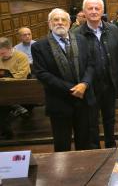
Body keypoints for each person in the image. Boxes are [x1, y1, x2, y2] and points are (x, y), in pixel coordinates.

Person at [31, 8, 95, 152]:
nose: (60, 23)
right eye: (56, 19)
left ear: (70, 23)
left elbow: (90, 64)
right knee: (62, 144)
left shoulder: (81, 39)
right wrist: (72, 89)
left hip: (83, 99)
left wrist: (84, 84)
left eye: (63, 20)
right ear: (49, 23)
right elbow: (42, 74)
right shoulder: (39, 46)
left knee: (84, 142)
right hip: (59, 102)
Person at [75, 0, 118, 148]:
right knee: (92, 120)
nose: (94, 11)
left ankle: (110, 145)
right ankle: (95, 148)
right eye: (90, 8)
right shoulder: (76, 34)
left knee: (110, 118)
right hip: (90, 85)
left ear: (102, 11)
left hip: (109, 82)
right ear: (84, 11)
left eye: (97, 8)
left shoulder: (113, 30)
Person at [0, 37, 31, 140]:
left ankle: (7, 131)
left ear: (10, 48)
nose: (1, 56)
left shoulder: (21, 57)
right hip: (3, 88)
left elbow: (22, 76)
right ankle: (17, 108)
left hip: (18, 87)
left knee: (3, 105)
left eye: (3, 53)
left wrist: (5, 80)